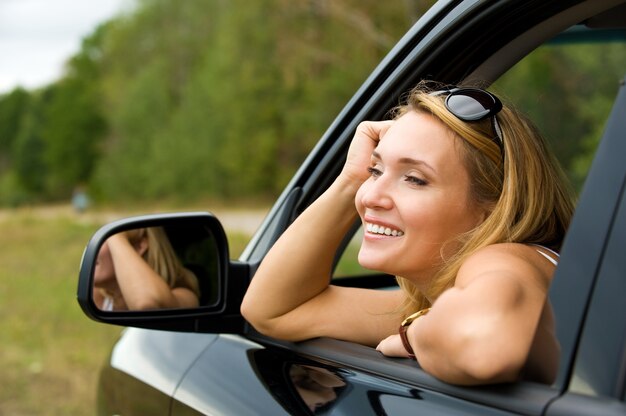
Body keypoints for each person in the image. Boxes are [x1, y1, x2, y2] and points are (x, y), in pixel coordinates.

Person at [241, 81, 575, 386]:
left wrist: (412, 335)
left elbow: (484, 344)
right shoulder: (439, 300)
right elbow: (272, 311)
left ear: (494, 206)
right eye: (375, 170)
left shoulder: (507, 260)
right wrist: (349, 182)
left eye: (414, 179)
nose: (370, 196)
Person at [93, 226, 200, 311]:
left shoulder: (187, 296)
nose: (92, 248)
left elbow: (146, 304)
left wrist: (115, 236)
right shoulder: (98, 295)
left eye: (105, 238)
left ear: (139, 247)